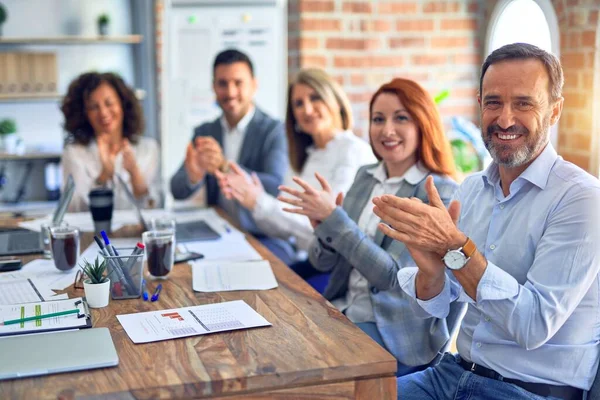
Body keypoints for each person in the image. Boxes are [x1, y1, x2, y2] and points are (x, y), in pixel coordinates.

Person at [374, 43, 600, 399]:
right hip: (451, 375)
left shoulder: (582, 199)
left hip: (528, 391)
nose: (505, 119)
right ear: (480, 104)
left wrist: (456, 248)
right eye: (494, 102)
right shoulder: (473, 188)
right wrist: (431, 272)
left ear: (555, 110)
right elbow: (441, 301)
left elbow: (533, 325)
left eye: (524, 103)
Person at [276, 78, 463, 375]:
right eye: (378, 119)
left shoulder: (437, 193)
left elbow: (391, 277)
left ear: (422, 124)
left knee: (299, 368)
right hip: (343, 307)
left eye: (400, 118)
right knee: (277, 345)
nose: (386, 130)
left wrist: (336, 221)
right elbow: (320, 262)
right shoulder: (366, 176)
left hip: (395, 330)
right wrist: (324, 230)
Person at [215, 68, 375, 266]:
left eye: (315, 98)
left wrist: (257, 200)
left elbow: (325, 228)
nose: (307, 110)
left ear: (335, 100)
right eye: (298, 104)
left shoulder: (353, 151)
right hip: (306, 259)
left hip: (334, 267)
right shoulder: (305, 157)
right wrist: (250, 198)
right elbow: (285, 226)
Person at [170, 49, 288, 240]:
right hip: (218, 232)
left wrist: (225, 166)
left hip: (263, 236)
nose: (230, 92)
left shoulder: (273, 130)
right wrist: (193, 175)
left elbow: (276, 186)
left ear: (254, 85)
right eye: (222, 84)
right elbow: (176, 190)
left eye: (238, 83)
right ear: (214, 87)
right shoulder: (205, 132)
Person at [61, 72, 159, 212]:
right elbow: (73, 209)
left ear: (123, 105)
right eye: (93, 107)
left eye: (109, 103)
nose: (103, 113)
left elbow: (154, 209)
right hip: (94, 234)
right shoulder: (74, 153)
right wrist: (103, 177)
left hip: (135, 234)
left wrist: (134, 173)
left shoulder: (148, 149)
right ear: (84, 114)